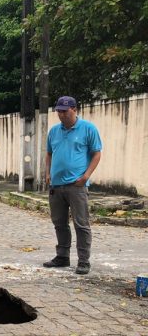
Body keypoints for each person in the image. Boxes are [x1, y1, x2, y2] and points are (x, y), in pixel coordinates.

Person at [43, 96, 102, 275]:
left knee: (81, 224)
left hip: (77, 185)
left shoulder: (88, 129)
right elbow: (49, 154)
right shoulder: (54, 131)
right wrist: (47, 173)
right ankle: (62, 256)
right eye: (59, 111)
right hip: (57, 185)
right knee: (59, 223)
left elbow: (97, 154)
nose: (61, 115)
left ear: (74, 109)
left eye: (65, 111)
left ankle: (83, 261)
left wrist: (86, 177)